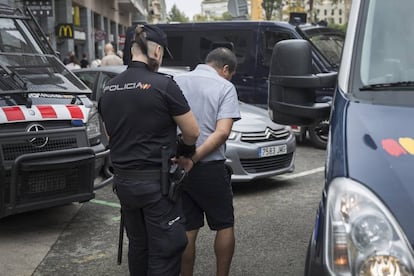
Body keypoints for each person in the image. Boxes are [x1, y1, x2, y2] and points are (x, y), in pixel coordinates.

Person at [98, 24, 200, 276]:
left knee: (139, 246)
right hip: (156, 185)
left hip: (124, 183)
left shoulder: (108, 89)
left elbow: (110, 135)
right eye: (163, 53)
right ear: (156, 50)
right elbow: (192, 131)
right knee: (165, 249)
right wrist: (185, 153)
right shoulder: (164, 85)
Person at [174, 47, 241, 276]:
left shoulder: (176, 81)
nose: (229, 78)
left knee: (188, 228)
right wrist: (194, 157)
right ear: (225, 69)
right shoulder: (225, 87)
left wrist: (184, 158)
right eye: (230, 73)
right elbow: (222, 133)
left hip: (179, 166)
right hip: (210, 167)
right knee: (224, 224)